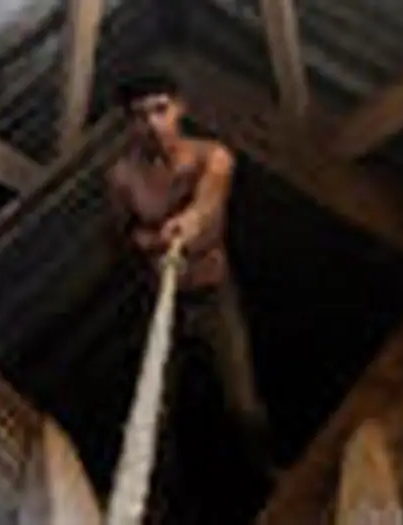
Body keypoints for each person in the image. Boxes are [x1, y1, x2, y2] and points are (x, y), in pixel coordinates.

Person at [104, 71, 278, 479]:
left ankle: (266, 471)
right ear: (129, 124)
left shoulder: (212, 157)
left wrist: (187, 224)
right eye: (141, 115)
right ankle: (158, 494)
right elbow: (119, 238)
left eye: (161, 110)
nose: (153, 124)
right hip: (162, 303)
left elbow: (208, 201)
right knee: (155, 415)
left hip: (214, 294)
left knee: (243, 404)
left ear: (180, 108)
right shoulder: (123, 178)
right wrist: (148, 243)